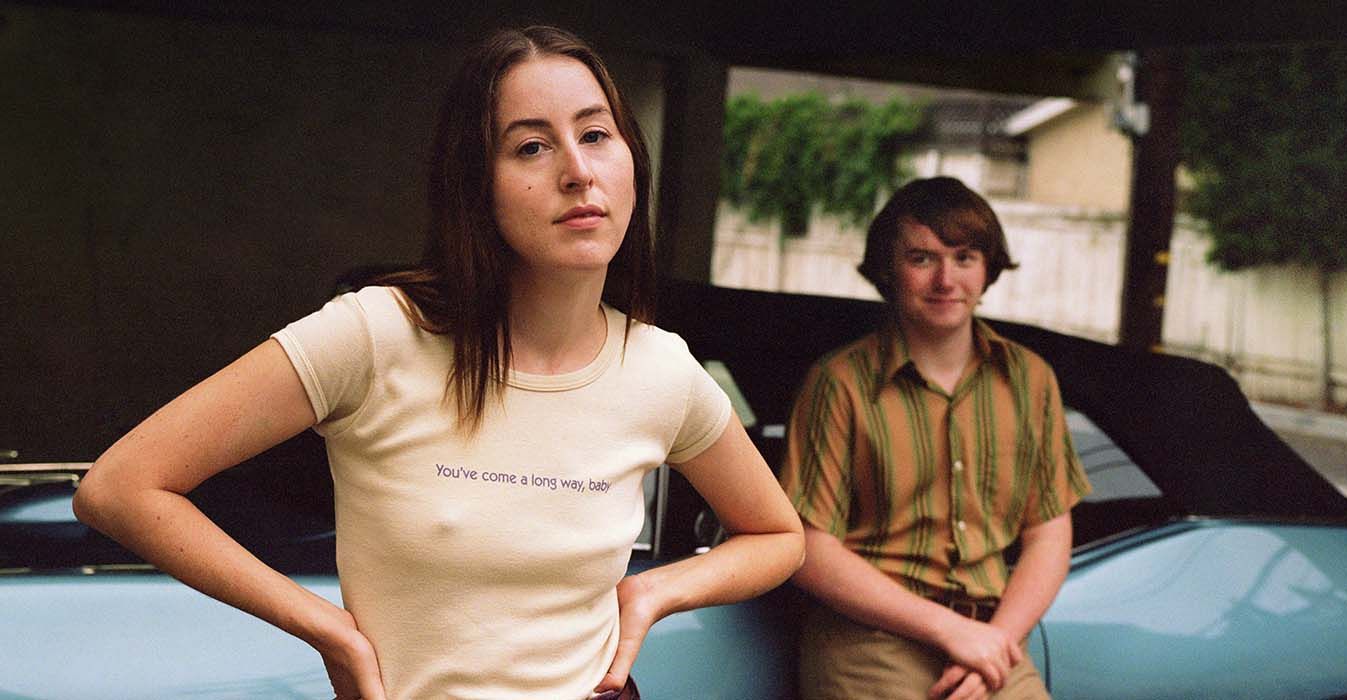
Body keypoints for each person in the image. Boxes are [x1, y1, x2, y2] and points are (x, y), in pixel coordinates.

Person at [74, 25, 803, 700]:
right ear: (474, 185)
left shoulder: (661, 370)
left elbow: (779, 536)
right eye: (531, 147)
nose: (579, 171)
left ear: (631, 160)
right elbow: (121, 488)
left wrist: (657, 591)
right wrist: (327, 629)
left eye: (596, 134)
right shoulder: (375, 333)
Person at [779, 177, 1091, 700]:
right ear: (886, 270)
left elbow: (1048, 532)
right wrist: (952, 631)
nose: (946, 279)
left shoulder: (1029, 378)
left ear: (988, 269)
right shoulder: (840, 382)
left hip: (993, 640)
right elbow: (808, 547)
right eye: (922, 258)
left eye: (965, 257)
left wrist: (993, 641)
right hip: (870, 644)